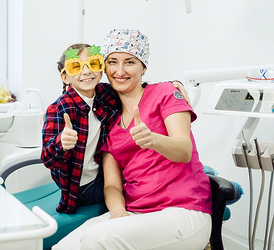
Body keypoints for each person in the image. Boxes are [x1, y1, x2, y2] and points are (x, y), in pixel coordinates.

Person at [52, 29, 213, 250]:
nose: (120, 71)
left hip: (184, 211)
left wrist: (153, 140)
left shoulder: (165, 93)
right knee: (64, 247)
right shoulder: (109, 120)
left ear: (143, 67)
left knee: (98, 238)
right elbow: (111, 185)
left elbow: (184, 150)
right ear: (104, 69)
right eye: (112, 62)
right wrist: (119, 214)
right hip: (136, 213)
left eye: (129, 62)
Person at [41, 43, 189, 214]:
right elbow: (47, 159)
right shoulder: (58, 109)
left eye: (93, 64)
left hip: (102, 173)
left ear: (101, 68)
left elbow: (133, 86)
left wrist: (173, 84)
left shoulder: (104, 93)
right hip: (82, 188)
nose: (87, 71)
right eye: (76, 67)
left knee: (144, 168)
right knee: (136, 184)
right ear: (65, 77)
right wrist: (62, 143)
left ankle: (203, 176)